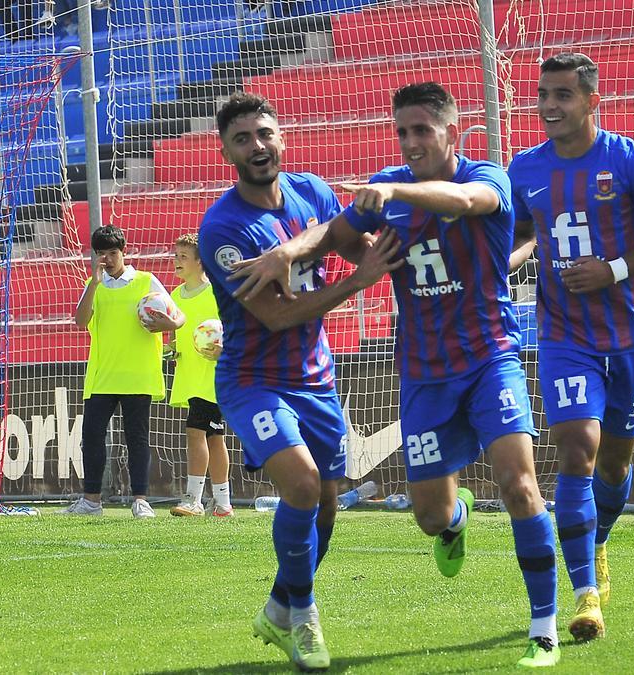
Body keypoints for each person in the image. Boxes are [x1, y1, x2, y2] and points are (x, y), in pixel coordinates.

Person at [231, 82, 561, 668]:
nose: (410, 142)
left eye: (422, 131)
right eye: (402, 132)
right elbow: (334, 234)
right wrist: (292, 252)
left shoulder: (486, 177)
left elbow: (464, 205)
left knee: (519, 484)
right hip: (424, 374)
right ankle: (455, 521)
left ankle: (543, 628)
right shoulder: (388, 192)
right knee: (430, 515)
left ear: (451, 133)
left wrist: (390, 188)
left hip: (491, 359)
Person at [197, 92, 401, 671]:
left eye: (264, 133)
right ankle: (305, 618)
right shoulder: (224, 230)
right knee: (304, 486)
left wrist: (389, 247)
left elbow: (349, 239)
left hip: (316, 379)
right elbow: (280, 315)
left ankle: (279, 606)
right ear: (226, 150)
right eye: (243, 139)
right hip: (253, 380)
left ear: (280, 134)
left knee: (329, 507)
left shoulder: (312, 191)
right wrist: (360, 280)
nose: (257, 147)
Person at [506, 52, 634, 643]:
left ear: (591, 101)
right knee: (577, 452)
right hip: (563, 336)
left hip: (628, 335)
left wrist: (612, 269)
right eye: (543, 95)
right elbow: (521, 238)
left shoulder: (626, 159)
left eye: (562, 95)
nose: (549, 106)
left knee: (614, 464)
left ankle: (599, 539)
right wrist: (498, 271)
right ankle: (585, 596)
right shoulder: (524, 169)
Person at [62, 225, 184, 518]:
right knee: (91, 436)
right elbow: (80, 320)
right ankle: (91, 501)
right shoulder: (95, 285)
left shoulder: (146, 281)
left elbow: (178, 319)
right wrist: (93, 282)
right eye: (101, 253)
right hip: (103, 375)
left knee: (137, 438)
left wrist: (164, 326)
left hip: (138, 373)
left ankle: (140, 499)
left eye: (113, 253)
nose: (107, 259)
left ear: (123, 252)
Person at [167, 233, 233, 518]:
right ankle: (223, 504)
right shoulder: (173, 296)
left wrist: (225, 349)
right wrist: (172, 350)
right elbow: (177, 337)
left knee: (196, 432)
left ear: (200, 261)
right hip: (190, 375)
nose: (176, 261)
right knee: (214, 438)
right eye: (175, 255)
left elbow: (236, 328)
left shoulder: (217, 292)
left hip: (214, 376)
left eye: (183, 256)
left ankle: (193, 499)